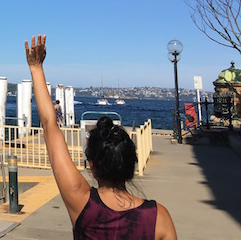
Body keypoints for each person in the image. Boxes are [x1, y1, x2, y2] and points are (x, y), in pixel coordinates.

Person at [25, 34, 177, 239]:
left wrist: (36, 67)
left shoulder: (82, 203)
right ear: (131, 163)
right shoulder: (159, 218)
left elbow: (50, 125)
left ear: (92, 164)